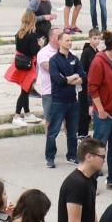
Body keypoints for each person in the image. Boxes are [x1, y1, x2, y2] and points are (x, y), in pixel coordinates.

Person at [85, 31, 112, 187]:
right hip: (104, 115)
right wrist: (100, 110)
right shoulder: (98, 62)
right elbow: (93, 88)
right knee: (98, 149)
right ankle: (92, 180)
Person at [42, 27, 83, 170]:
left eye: (71, 40)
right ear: (59, 42)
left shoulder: (74, 58)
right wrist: (71, 78)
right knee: (53, 131)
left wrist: (69, 79)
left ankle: (72, 155)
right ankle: (50, 157)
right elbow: (56, 80)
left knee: (72, 131)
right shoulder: (54, 60)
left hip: (73, 100)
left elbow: (83, 76)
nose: (69, 43)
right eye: (67, 40)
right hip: (58, 101)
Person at [8, 10, 42, 127]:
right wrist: (40, 45)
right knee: (25, 91)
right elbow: (34, 51)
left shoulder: (19, 33)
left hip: (20, 64)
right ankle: (17, 116)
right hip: (28, 66)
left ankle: (27, 113)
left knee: (25, 89)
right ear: (32, 21)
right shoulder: (32, 35)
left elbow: (21, 48)